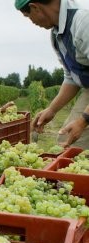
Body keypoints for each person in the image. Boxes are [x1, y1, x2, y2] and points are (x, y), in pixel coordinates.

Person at [15, 0, 89, 149]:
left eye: (28, 17)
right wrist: (52, 109)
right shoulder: (56, 35)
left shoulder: (83, 22)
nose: (32, 22)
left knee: (77, 147)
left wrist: (82, 121)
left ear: (34, 7)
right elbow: (71, 77)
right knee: (68, 140)